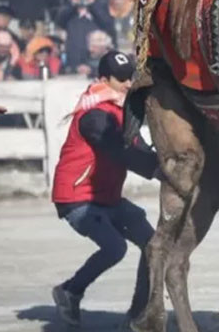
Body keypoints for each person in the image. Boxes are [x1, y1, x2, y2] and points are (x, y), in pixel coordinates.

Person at [51, 51, 159, 328]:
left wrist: (163, 165)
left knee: (153, 245)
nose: (127, 83)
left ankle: (138, 313)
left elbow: (139, 146)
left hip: (108, 197)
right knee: (115, 247)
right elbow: (118, 150)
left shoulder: (122, 109)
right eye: (120, 78)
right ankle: (70, 290)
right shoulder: (93, 114)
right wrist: (156, 170)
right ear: (102, 79)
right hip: (77, 198)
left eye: (129, 77)